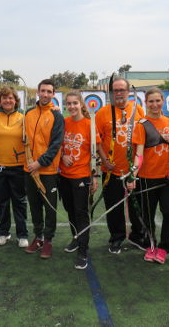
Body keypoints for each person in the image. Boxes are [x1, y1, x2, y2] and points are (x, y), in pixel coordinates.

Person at [96, 77, 146, 254]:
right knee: (114, 207)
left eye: (122, 90)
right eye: (115, 90)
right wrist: (104, 160)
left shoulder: (138, 109)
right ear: (111, 93)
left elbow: (143, 137)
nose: (118, 93)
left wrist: (136, 167)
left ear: (127, 91)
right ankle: (117, 237)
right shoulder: (103, 112)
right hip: (112, 170)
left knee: (136, 206)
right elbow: (98, 141)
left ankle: (137, 235)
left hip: (134, 170)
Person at [130, 87, 169, 264]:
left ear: (163, 101)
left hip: (166, 178)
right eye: (151, 101)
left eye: (158, 100)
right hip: (147, 178)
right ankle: (151, 244)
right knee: (148, 214)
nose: (155, 104)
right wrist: (133, 173)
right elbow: (139, 153)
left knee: (168, 213)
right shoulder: (142, 125)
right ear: (146, 103)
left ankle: (164, 247)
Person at [24, 79, 64, 259]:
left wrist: (40, 162)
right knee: (34, 206)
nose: (46, 94)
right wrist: (30, 164)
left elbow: (56, 145)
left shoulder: (57, 116)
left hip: (47, 171)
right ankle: (38, 237)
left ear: (53, 94)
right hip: (29, 170)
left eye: (49, 91)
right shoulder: (28, 114)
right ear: (38, 92)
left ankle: (48, 240)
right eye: (43, 91)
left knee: (50, 208)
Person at [59, 91, 99, 269]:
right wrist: (62, 156)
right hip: (64, 176)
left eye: (75, 103)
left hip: (82, 176)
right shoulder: (64, 122)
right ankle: (76, 238)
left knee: (81, 212)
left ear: (81, 103)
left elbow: (95, 153)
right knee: (70, 210)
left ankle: (83, 250)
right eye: (69, 104)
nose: (72, 107)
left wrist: (95, 176)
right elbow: (58, 145)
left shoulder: (90, 125)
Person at [0, 86, 29, 248]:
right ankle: (3, 232)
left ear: (16, 100)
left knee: (19, 201)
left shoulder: (24, 118)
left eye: (11, 98)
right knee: (2, 201)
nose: (7, 100)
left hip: (19, 167)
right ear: (0, 100)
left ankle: (22, 234)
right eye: (4, 98)